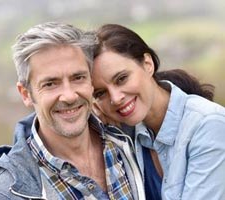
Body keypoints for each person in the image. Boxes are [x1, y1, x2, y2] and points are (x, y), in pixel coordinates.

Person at [0, 22, 145, 200]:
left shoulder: (129, 137)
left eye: (78, 78)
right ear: (26, 94)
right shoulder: (4, 193)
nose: (69, 96)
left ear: (91, 81)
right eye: (50, 84)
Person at [91, 24, 225, 200]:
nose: (115, 98)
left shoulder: (208, 124)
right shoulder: (126, 135)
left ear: (148, 64)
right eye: (101, 93)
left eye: (121, 79)